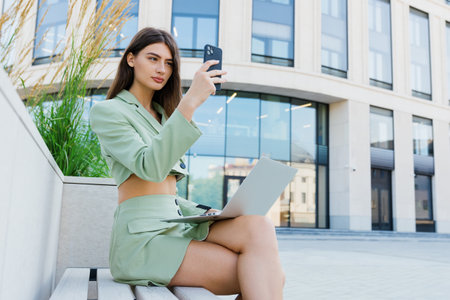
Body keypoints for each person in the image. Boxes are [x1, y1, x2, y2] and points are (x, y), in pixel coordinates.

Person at [89, 27, 285, 300]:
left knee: (259, 226)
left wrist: (209, 212)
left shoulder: (163, 116)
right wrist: (190, 100)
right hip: (143, 240)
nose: (162, 69)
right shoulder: (109, 111)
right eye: (153, 58)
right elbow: (150, 167)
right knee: (262, 275)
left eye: (169, 63)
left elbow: (168, 194)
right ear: (131, 59)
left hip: (176, 226)